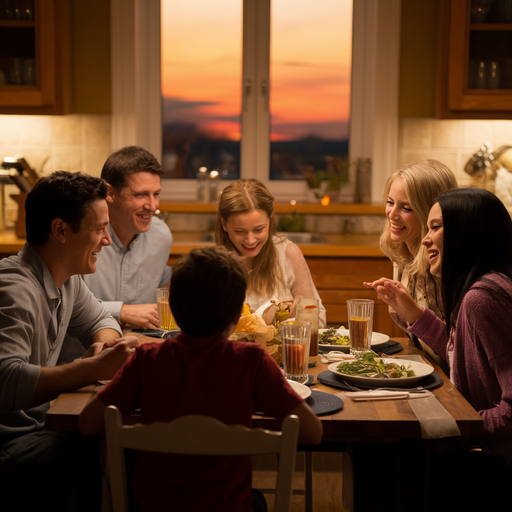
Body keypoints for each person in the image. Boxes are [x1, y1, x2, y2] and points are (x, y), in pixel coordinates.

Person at [80, 246, 323, 511]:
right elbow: (313, 432)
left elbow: (87, 423)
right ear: (236, 315)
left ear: (172, 308)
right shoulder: (252, 361)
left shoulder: (145, 360)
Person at [0, 171, 139, 511]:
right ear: (61, 230)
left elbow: (102, 319)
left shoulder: (66, 281)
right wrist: (90, 369)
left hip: (38, 430)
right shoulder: (15, 289)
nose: (107, 240)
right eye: (99, 229)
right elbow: (6, 379)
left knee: (123, 444)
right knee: (119, 451)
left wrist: (105, 344)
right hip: (11, 445)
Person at [370, 188, 512, 511]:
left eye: (435, 227)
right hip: (488, 452)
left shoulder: (483, 298)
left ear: (466, 233)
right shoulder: (482, 288)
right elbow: (458, 350)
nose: (425, 239)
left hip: (500, 464)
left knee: (383, 462)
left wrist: (456, 426)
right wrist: (414, 314)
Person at [364, 160, 457, 370]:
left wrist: (415, 314)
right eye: (390, 202)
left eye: (406, 208)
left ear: (431, 213)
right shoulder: (402, 256)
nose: (392, 214)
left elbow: (461, 358)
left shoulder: (445, 268)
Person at [215, 178, 327, 327]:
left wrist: (292, 314)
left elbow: (317, 322)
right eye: (240, 231)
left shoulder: (287, 253)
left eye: (258, 229)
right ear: (224, 224)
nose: (250, 240)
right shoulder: (211, 265)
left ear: (270, 218)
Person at [83, 146, 173, 329]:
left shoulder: (162, 237)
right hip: (83, 354)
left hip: (139, 349)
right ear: (110, 193)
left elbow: (165, 288)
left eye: (156, 194)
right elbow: (61, 307)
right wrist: (121, 312)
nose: (153, 206)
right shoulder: (80, 237)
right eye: (140, 195)